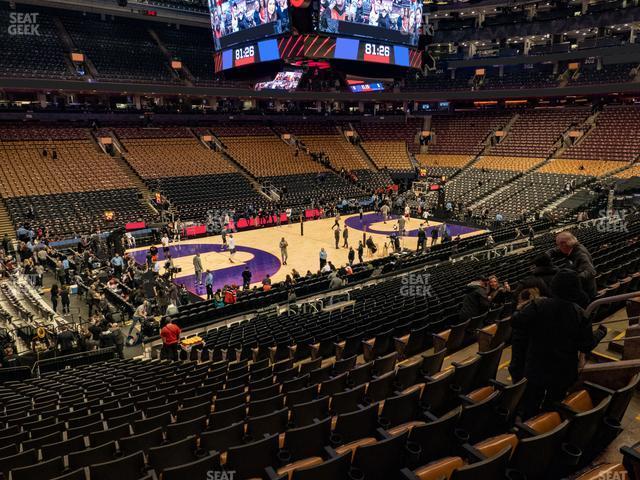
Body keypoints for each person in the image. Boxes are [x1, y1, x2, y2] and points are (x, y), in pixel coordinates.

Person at [510, 270, 597, 418]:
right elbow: (586, 345)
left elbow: (516, 322)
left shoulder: (538, 305)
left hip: (537, 367)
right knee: (553, 406)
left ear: (554, 286)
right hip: (564, 370)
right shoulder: (580, 313)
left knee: (530, 403)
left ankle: (528, 428)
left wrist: (522, 306)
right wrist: (600, 334)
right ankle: (548, 429)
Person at [547, 231, 597, 300]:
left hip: (586, 293)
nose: (558, 247)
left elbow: (591, 271)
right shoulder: (571, 248)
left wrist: (572, 279)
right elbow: (553, 251)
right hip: (580, 290)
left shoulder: (580, 254)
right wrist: (545, 256)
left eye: (558, 245)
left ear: (564, 244)